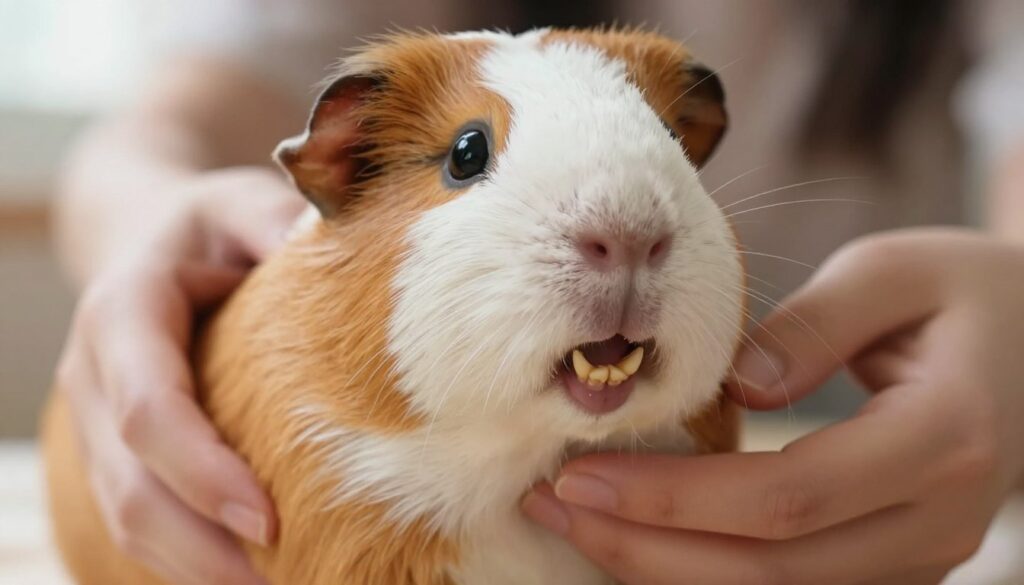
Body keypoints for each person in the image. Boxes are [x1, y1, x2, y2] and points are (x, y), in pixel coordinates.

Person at [53, 1, 1024, 583]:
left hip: (855, 443)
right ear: (343, 158)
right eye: (469, 157)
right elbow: (173, 123)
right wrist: (139, 217)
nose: (632, 239)